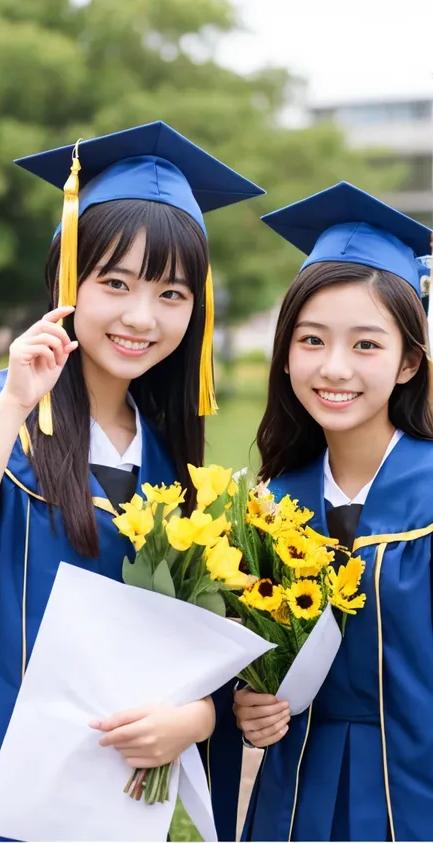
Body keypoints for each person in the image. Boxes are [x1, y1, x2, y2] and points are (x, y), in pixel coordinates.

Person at [0, 120, 264, 842]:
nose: (140, 316)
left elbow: (193, 656)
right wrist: (14, 407)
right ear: (67, 281)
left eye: (171, 294)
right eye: (115, 282)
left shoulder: (174, 469)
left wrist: (196, 717)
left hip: (110, 805)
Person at [234, 181, 433, 842]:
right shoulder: (265, 508)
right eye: (312, 339)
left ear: (409, 361)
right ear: (286, 354)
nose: (335, 367)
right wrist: (248, 703)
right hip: (294, 807)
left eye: (367, 345)